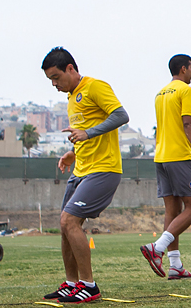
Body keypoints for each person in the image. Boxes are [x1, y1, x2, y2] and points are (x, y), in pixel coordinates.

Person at [41, 47, 128, 303]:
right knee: (65, 225)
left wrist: (87, 134)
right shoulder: (72, 97)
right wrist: (73, 152)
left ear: (70, 68)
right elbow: (85, 134)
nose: (55, 84)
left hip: (104, 170)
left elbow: (122, 116)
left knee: (69, 221)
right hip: (81, 170)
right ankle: (71, 284)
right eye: (50, 81)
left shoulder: (95, 87)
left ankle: (89, 285)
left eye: (56, 77)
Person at [140, 54, 191, 280]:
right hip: (180, 156)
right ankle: (156, 248)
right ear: (183, 69)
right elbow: (188, 123)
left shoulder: (160, 93)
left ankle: (175, 265)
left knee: (172, 211)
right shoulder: (185, 90)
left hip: (161, 157)